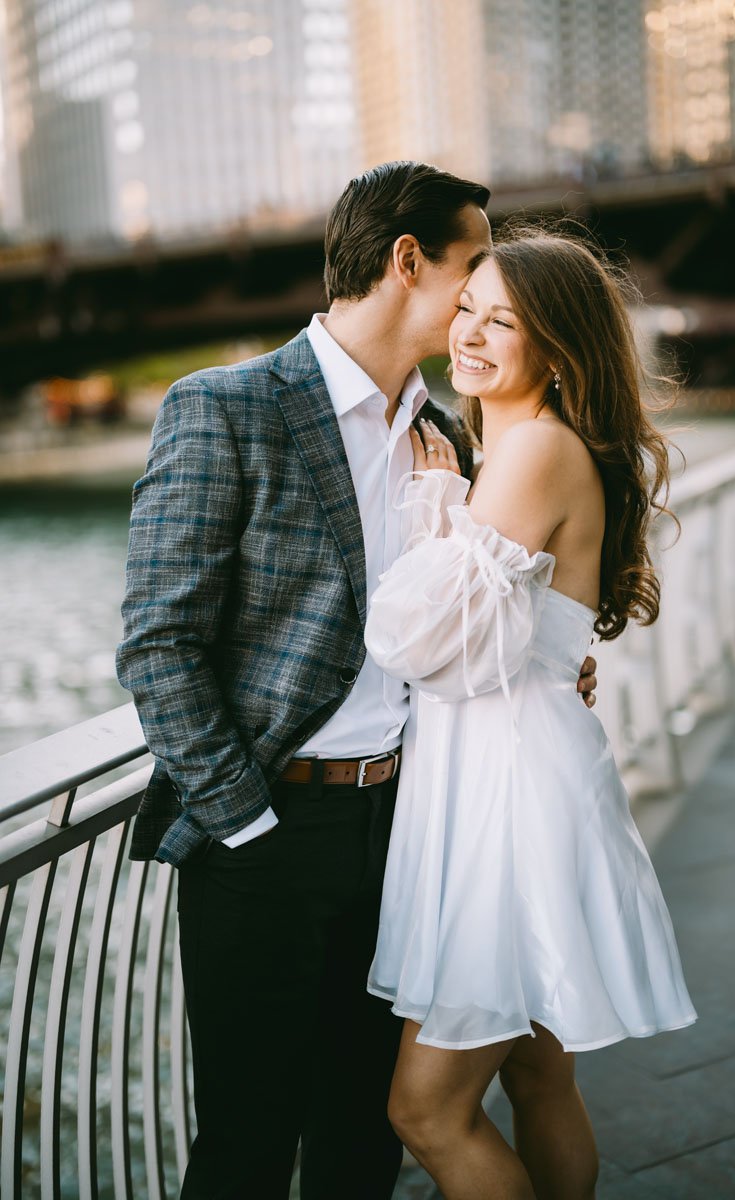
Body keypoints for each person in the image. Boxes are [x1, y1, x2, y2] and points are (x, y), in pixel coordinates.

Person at [115, 163, 599, 1200]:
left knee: (362, 1138)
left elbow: (471, 616)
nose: (483, 294)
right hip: (265, 838)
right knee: (246, 1142)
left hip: (408, 831)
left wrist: (547, 667)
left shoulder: (450, 434)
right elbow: (158, 644)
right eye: (472, 265)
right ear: (407, 260)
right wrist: (244, 823)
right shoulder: (226, 407)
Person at [364, 229, 697, 1200]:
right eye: (465, 308)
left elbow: (417, 641)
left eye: (500, 322)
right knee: (538, 1077)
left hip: (503, 795)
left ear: (555, 348)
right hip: (520, 764)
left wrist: (428, 504)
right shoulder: (507, 448)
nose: (467, 333)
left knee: (424, 1110)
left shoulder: (534, 450)